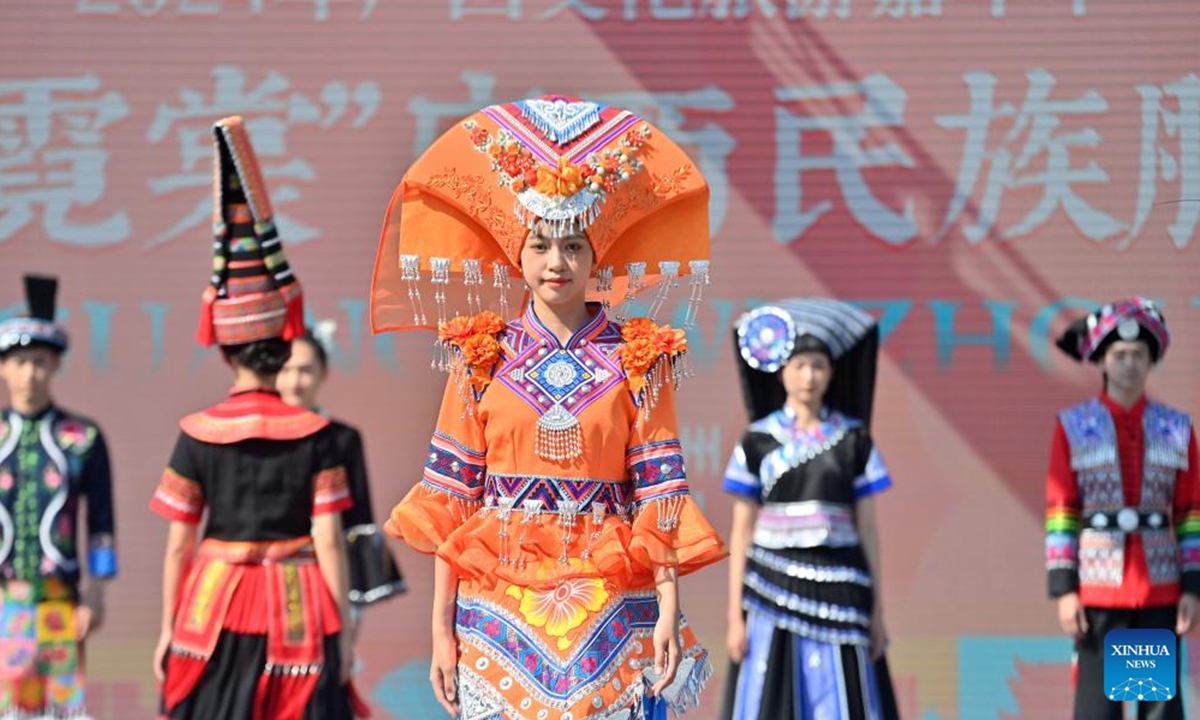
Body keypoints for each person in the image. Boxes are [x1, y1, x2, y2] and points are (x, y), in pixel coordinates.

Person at [371, 95, 727, 719]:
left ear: (597, 258)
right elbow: (452, 499)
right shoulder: (481, 355)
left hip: (609, 593)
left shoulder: (640, 355)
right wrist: (440, 631)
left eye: (572, 246)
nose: (556, 262)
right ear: (519, 255)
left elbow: (659, 489)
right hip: (496, 594)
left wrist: (669, 608)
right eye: (540, 245)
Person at [151, 115, 364, 720]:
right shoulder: (317, 435)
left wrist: (167, 627)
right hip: (297, 600)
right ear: (285, 342)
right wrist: (346, 630)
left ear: (224, 346)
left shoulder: (196, 433)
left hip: (211, 603)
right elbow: (327, 539)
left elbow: (177, 547)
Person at [720, 299, 899, 720]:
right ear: (782, 371)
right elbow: (741, 530)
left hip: (842, 585)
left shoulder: (853, 440)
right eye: (799, 365)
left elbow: (868, 527)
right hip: (768, 589)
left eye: (818, 365)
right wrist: (734, 615)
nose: (808, 376)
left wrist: (877, 609)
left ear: (831, 372)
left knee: (846, 695)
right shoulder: (757, 441)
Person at [1048, 297, 1199, 720]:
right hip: (1098, 593)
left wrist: (1191, 586)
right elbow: (1062, 510)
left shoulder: (1174, 428)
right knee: (1099, 711)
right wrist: (1064, 589)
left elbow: (1189, 512)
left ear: (1152, 361)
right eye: (1119, 355)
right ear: (1101, 361)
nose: (1129, 364)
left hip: (1155, 588)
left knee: (1155, 711)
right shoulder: (1074, 425)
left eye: (1139, 355)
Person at [0, 274, 117, 719]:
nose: (30, 373)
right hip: (3, 595)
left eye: (40, 361)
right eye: (21, 361)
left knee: (60, 706)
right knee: (9, 701)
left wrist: (97, 592)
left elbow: (102, 522)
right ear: (3, 368)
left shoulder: (81, 437)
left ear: (55, 366)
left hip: (58, 597)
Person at [277, 330, 405, 614]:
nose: (295, 382)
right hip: (270, 574)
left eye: (305, 370)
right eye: (285, 370)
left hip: (328, 573)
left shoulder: (341, 438)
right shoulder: (258, 435)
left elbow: (358, 515)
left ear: (323, 372)